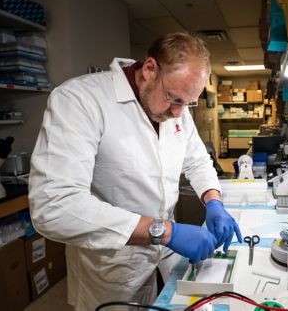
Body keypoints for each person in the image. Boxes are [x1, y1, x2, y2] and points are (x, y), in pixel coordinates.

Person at [28, 32, 242, 310]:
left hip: (165, 255)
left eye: (187, 103)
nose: (179, 113)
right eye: (174, 99)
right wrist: (165, 232)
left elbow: (198, 161)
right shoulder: (79, 99)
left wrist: (213, 201)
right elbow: (54, 205)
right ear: (150, 69)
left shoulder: (176, 108)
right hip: (114, 265)